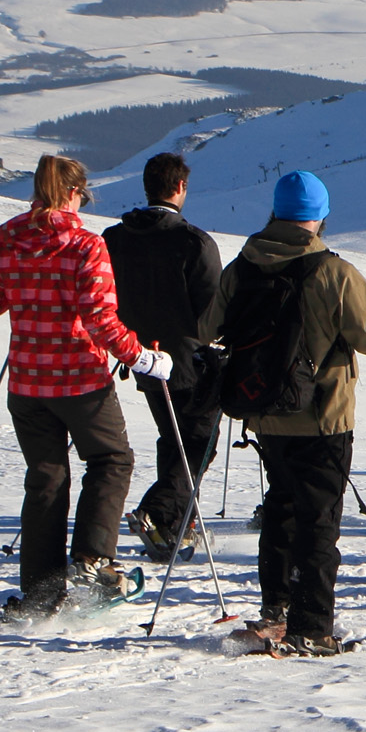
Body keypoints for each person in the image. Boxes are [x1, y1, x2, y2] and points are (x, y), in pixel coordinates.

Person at [200, 170, 366, 655]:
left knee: (281, 507)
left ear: (275, 212)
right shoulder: (332, 271)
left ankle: (274, 611)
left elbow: (207, 326)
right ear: (319, 217)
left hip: (265, 412)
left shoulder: (242, 267)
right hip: (323, 415)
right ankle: (311, 625)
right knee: (318, 520)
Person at [0, 153, 172, 616]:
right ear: (74, 192)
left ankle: (40, 595)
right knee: (111, 459)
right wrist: (142, 357)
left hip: (26, 380)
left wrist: (24, 293)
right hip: (80, 380)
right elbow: (100, 320)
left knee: (45, 480)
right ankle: (92, 561)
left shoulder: (9, 236)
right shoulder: (84, 244)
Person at [103, 152, 222, 560]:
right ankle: (160, 513)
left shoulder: (115, 238)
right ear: (180, 187)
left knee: (173, 437)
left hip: (137, 354)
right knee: (198, 440)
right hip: (191, 361)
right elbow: (212, 311)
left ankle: (174, 523)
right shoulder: (193, 242)